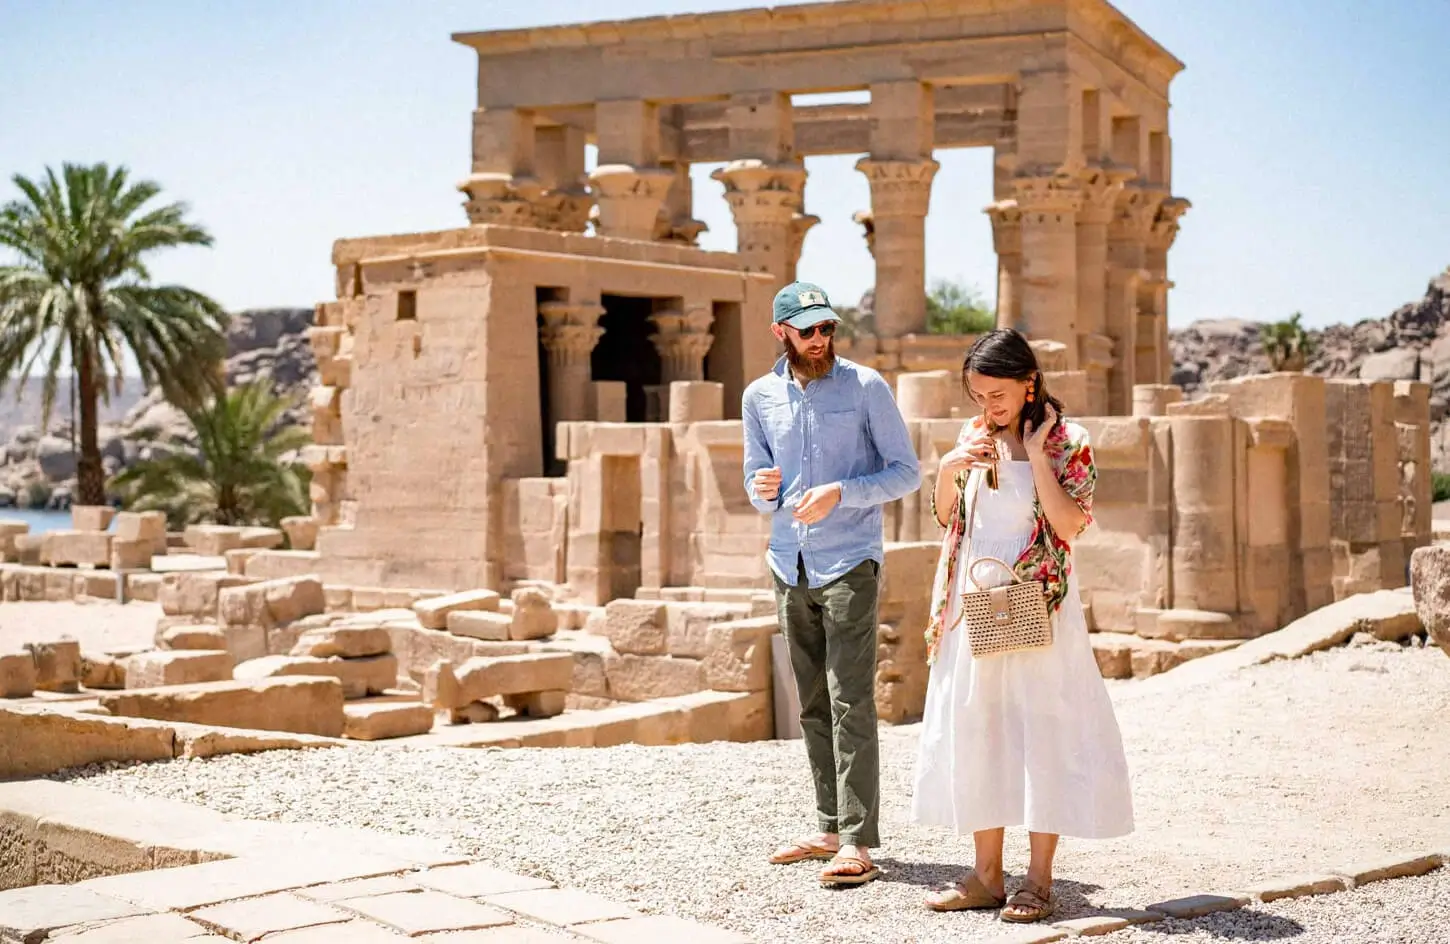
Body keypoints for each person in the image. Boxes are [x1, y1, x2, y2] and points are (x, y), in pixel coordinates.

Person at [911, 328, 1133, 923]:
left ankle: (1038, 880)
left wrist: (1035, 456)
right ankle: (986, 876)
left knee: (1043, 729)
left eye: (997, 394)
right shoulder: (973, 435)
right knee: (979, 727)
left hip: (1040, 607)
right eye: (978, 396)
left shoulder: (1069, 442)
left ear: (1028, 382)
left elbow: (1069, 527)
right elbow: (947, 518)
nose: (988, 406)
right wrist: (949, 467)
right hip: (977, 604)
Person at [742, 280, 921, 888]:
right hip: (787, 562)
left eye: (827, 328)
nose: (820, 339)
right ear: (781, 332)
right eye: (808, 330)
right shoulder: (759, 396)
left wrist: (842, 492)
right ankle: (827, 826)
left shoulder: (866, 386)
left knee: (851, 699)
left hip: (849, 561)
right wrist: (760, 490)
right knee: (813, 703)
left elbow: (906, 472)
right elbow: (755, 480)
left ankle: (857, 840)